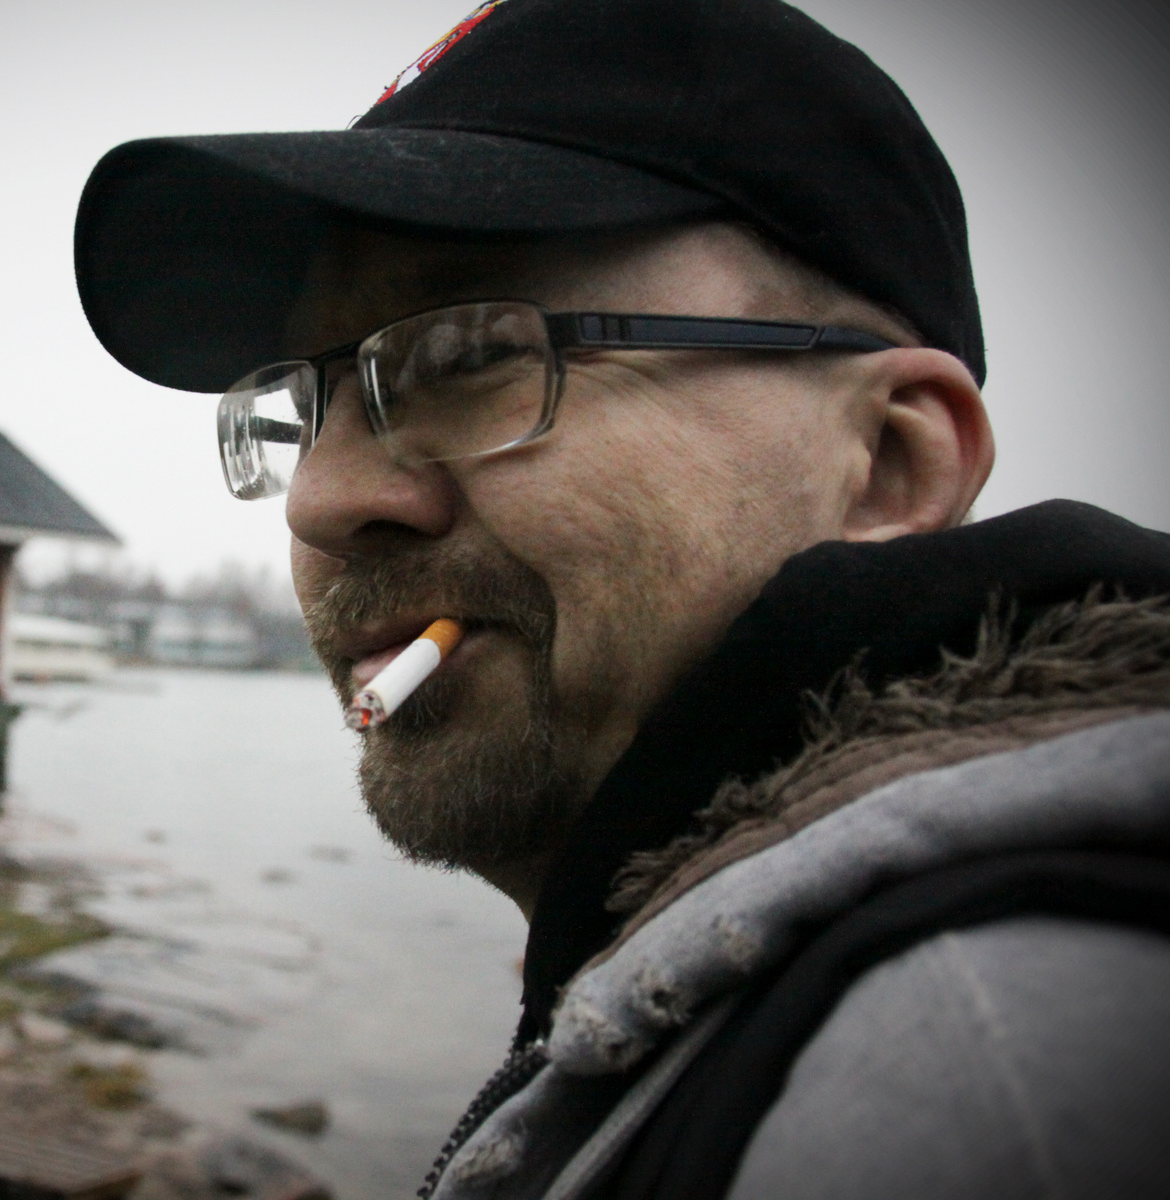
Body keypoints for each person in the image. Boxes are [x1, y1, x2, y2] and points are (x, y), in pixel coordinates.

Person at [74, 1, 1170, 1196]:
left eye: (470, 356)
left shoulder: (986, 1072)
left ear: (889, 465)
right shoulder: (726, 1018)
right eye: (304, 405)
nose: (320, 500)